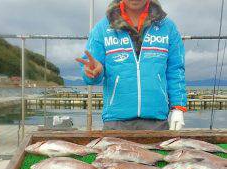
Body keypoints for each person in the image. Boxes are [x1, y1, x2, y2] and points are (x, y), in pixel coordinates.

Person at [76, 0, 187, 131]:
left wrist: (178, 107)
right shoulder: (102, 28)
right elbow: (90, 70)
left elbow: (175, 70)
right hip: (115, 121)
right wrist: (92, 72)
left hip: (157, 121)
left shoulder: (168, 27)